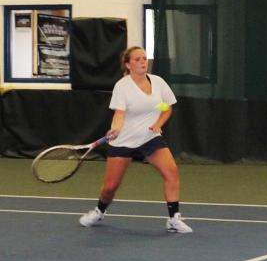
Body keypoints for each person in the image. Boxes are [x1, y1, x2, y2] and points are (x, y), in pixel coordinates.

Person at [79, 46, 192, 233]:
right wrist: (115, 128)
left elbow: (166, 107)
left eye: (144, 58)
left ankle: (174, 219)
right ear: (128, 64)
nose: (143, 62)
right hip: (124, 140)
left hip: (150, 137)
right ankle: (99, 211)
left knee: (171, 172)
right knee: (110, 187)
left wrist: (159, 124)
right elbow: (119, 114)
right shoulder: (122, 87)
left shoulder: (158, 82)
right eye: (138, 59)